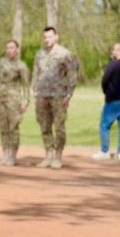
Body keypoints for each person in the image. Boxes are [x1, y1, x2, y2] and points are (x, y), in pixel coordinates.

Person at [31, 25, 79, 169]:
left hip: (59, 95)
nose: (47, 40)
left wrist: (69, 94)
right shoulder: (39, 54)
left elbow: (72, 75)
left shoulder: (65, 54)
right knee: (44, 126)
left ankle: (58, 156)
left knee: (59, 127)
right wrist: (33, 89)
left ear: (56, 37)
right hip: (42, 95)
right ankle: (48, 155)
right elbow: (36, 73)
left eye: (50, 36)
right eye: (45, 37)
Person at [0, 39, 31, 166]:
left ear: (17, 50)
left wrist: (26, 101)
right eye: (7, 47)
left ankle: (13, 155)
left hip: (14, 101)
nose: (9, 50)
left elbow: (26, 86)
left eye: (12, 48)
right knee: (3, 128)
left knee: (13, 128)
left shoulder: (21, 66)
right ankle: (5, 153)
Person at [94, 42, 120, 161]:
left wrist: (106, 92)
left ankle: (104, 151)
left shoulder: (113, 66)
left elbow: (105, 80)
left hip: (114, 99)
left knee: (104, 125)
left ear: (119, 51)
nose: (112, 52)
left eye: (114, 50)